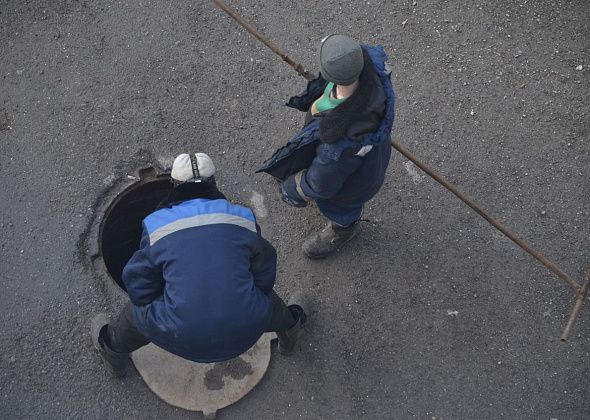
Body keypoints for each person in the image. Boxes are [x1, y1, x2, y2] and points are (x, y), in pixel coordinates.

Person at [91, 153, 308, 377]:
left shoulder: (156, 226)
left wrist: (166, 298)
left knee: (135, 314)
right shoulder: (242, 218)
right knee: (266, 302)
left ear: (174, 184)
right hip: (248, 328)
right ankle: (291, 331)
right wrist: (252, 292)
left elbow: (137, 282)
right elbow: (265, 267)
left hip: (180, 337)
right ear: (213, 182)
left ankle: (113, 352)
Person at [258, 34, 395, 259]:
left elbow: (320, 182)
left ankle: (345, 228)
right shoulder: (372, 69)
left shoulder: (339, 146)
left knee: (341, 207)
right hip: (370, 156)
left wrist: (292, 189)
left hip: (350, 187)